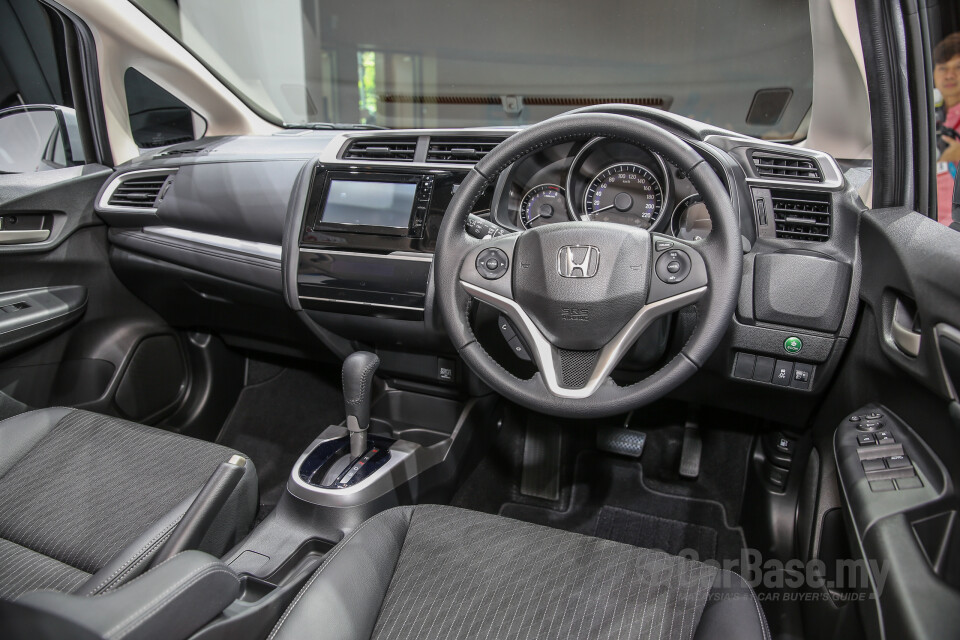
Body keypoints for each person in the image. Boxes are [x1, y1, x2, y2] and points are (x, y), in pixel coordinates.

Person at [934, 32, 960, 226]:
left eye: (958, 67)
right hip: (928, 227)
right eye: (943, 68)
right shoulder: (924, 119)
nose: (950, 75)